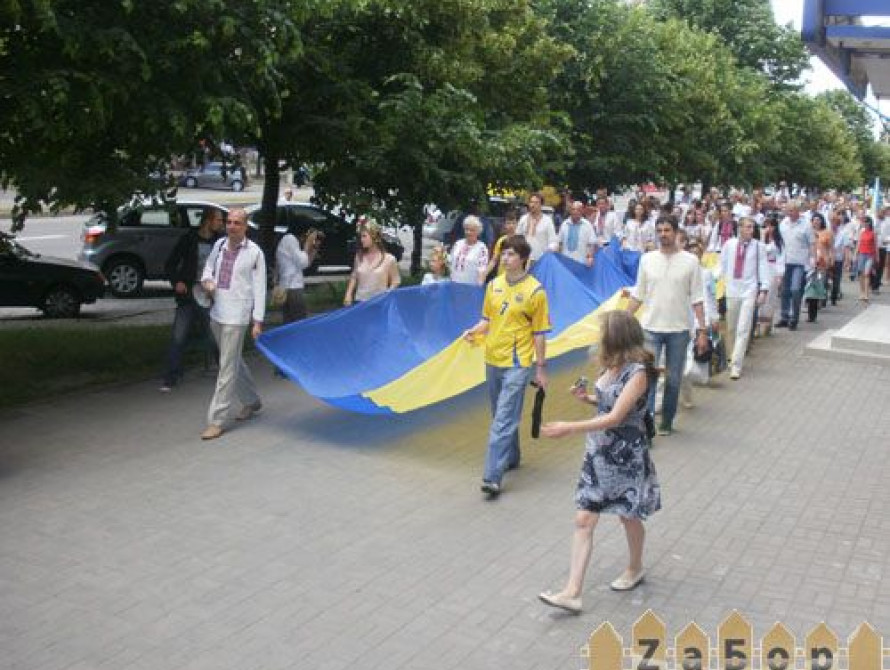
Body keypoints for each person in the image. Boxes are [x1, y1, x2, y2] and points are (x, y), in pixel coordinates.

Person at [537, 311, 660, 614]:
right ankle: (572, 592)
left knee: (628, 516)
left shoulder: (638, 372)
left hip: (625, 456)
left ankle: (635, 567)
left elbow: (617, 416)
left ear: (616, 336)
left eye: (603, 332)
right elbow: (610, 402)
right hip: (599, 454)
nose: (599, 337)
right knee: (584, 519)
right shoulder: (612, 364)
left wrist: (569, 427)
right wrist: (587, 398)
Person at [463, 235, 551, 498]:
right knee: (501, 414)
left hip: (518, 363)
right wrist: (474, 331)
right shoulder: (494, 286)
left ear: (523, 259)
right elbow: (487, 319)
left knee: (503, 418)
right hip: (493, 359)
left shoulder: (535, 291)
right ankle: (511, 457)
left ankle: (492, 477)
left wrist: (541, 368)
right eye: (503, 253)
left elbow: (539, 333)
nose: (505, 258)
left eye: (511, 254)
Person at [626, 215, 708, 436]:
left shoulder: (690, 262)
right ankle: (648, 426)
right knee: (648, 378)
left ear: (676, 232)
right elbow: (638, 294)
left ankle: (667, 421)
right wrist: (623, 318)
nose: (663, 234)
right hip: (650, 328)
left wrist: (702, 331)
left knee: (673, 379)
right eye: (660, 230)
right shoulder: (647, 260)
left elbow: (697, 298)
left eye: (667, 230)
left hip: (679, 331)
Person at [199, 208, 266, 440]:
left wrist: (257, 321)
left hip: (237, 316)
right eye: (228, 222)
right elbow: (208, 269)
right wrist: (208, 281)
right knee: (232, 360)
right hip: (217, 312)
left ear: (245, 226)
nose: (232, 226)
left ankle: (216, 420)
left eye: (237, 223)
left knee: (226, 367)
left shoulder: (254, 253)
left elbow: (259, 289)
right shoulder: (219, 245)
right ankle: (252, 400)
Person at [160, 208, 225, 392]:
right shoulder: (189, 239)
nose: (221, 224)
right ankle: (171, 377)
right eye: (218, 220)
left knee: (214, 335)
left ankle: (226, 374)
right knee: (178, 336)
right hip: (188, 295)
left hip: (209, 295)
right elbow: (170, 264)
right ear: (208, 221)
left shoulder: (219, 243)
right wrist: (177, 282)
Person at [719, 218, 769, 380]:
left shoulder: (758, 247)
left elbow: (763, 267)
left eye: (752, 227)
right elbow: (722, 266)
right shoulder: (729, 245)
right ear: (739, 228)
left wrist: (764, 289)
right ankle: (730, 357)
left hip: (749, 289)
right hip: (732, 289)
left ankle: (736, 365)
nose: (750, 230)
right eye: (747, 227)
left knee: (743, 328)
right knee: (731, 328)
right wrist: (718, 284)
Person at [343, 221, 401, 305]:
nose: (361, 240)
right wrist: (348, 294)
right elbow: (354, 276)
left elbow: (396, 281)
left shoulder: (389, 259)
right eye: (361, 237)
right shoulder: (359, 256)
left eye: (364, 236)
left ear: (375, 237)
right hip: (360, 302)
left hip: (379, 303)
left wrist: (388, 293)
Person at [275, 224, 319, 327]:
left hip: (290, 287)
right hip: (293, 288)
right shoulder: (290, 239)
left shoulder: (288, 240)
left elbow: (306, 264)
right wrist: (307, 244)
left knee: (289, 322)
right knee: (299, 322)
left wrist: (314, 247)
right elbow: (303, 262)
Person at [517, 192, 558, 263]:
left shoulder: (547, 221)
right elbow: (517, 237)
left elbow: (553, 241)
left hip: (540, 260)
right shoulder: (523, 219)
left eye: (536, 203)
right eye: (531, 202)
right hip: (524, 259)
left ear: (541, 205)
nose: (533, 205)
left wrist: (550, 250)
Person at [449, 215, 489, 285]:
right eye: (466, 229)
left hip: (470, 286)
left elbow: (482, 270)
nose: (468, 232)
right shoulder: (458, 243)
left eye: (472, 230)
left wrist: (478, 288)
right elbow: (450, 262)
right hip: (453, 284)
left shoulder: (481, 248)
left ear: (478, 232)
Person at [557, 201, 595, 266]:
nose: (575, 212)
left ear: (582, 211)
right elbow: (560, 243)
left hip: (581, 262)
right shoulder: (564, 224)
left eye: (578, 210)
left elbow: (591, 244)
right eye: (573, 209)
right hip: (566, 262)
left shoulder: (587, 225)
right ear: (570, 211)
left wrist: (590, 257)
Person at [486, 210, 518, 278]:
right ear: (505, 225)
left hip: (515, 278)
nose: (511, 226)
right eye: (508, 223)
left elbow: (525, 262)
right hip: (501, 277)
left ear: (517, 224)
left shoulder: (521, 241)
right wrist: (484, 273)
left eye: (513, 223)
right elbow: (494, 260)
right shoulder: (500, 241)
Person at [856, 216, 877, 304]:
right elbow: (858, 243)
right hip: (862, 254)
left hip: (869, 255)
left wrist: (876, 257)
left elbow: (875, 245)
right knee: (861, 273)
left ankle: (866, 294)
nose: (865, 223)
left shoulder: (873, 233)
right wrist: (855, 254)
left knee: (867, 274)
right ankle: (862, 292)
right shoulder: (861, 232)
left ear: (870, 223)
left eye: (866, 222)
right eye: (864, 222)